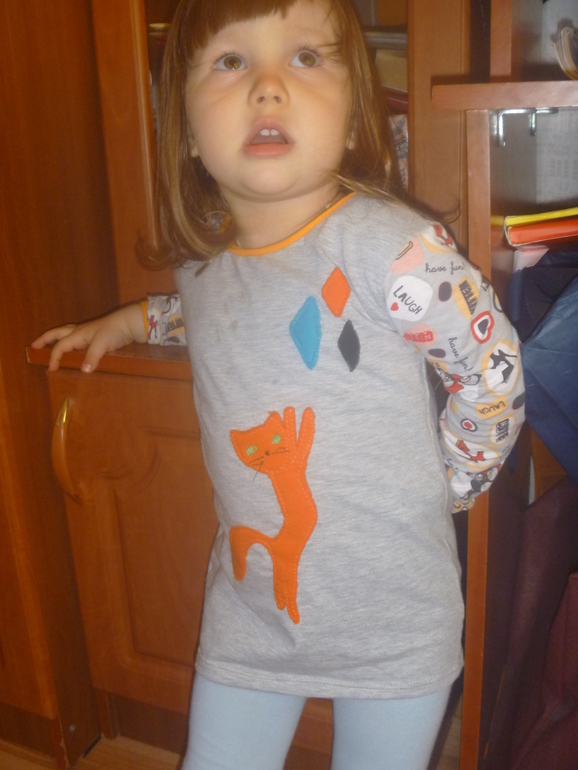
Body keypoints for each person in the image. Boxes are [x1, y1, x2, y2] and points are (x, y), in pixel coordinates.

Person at [32, 0, 525, 767]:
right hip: (252, 615)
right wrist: (132, 321)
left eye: (305, 57)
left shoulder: (394, 250)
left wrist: (452, 484)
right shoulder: (203, 268)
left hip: (393, 622)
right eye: (231, 61)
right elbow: (211, 315)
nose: (268, 85)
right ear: (186, 130)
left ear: (355, 118)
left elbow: (493, 372)